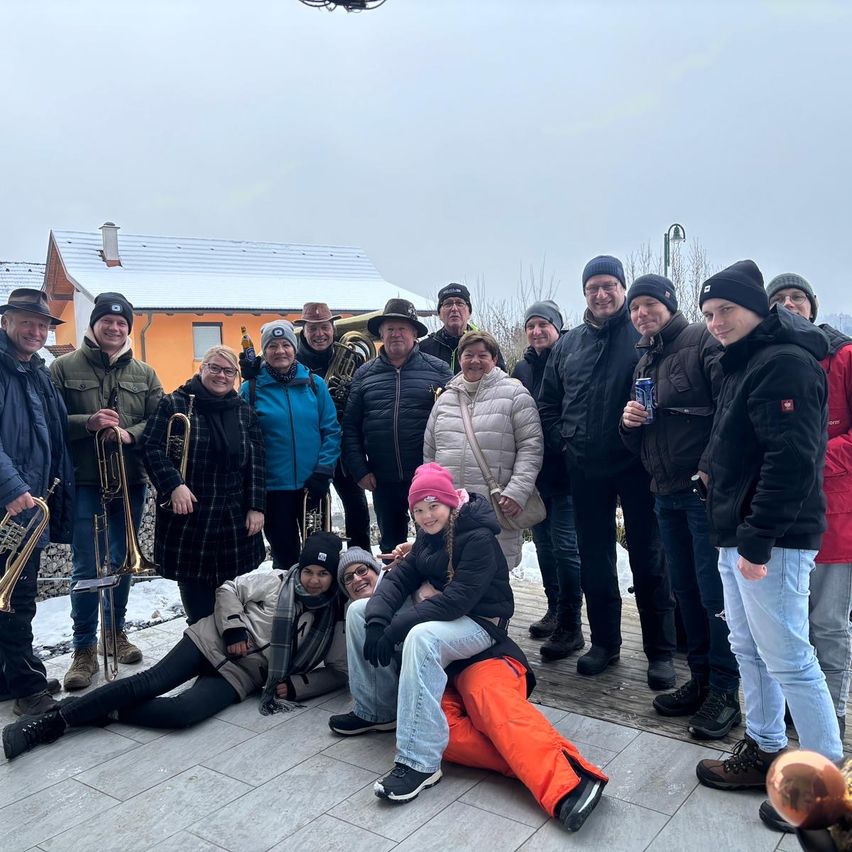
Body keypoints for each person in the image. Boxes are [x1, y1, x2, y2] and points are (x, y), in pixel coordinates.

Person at [692, 261, 842, 822]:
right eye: (708, 314)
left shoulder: (785, 362)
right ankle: (765, 746)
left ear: (758, 308)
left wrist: (757, 540)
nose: (716, 323)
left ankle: (826, 783)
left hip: (771, 538)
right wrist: (710, 478)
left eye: (726, 310)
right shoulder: (746, 360)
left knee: (791, 658)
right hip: (739, 531)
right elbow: (740, 442)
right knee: (749, 648)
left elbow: (794, 460)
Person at [2, 531, 348, 760]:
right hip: (209, 640)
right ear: (299, 568)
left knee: (182, 714)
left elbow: (336, 671)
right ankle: (51, 723)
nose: (313, 580)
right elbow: (229, 589)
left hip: (243, 676)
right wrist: (233, 631)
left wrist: (300, 686)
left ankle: (98, 707)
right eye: (309, 571)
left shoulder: (330, 620)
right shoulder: (276, 581)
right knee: (148, 682)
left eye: (323, 574)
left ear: (333, 579)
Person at [335, 544, 609, 833]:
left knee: (490, 704)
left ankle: (568, 784)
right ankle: (533, 764)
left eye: (362, 570)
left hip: (485, 659)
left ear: (381, 569)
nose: (356, 581)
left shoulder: (413, 573)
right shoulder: (371, 617)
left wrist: (416, 553)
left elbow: (450, 556)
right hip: (442, 679)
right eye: (348, 580)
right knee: (441, 737)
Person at [328, 463, 513, 804]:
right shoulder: (430, 536)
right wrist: (377, 622)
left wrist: (397, 626)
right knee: (358, 610)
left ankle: (420, 761)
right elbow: (399, 579)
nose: (426, 516)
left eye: (433, 506)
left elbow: (458, 600)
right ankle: (376, 710)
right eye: (418, 509)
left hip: (482, 621)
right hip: (446, 611)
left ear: (450, 502)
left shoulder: (477, 537)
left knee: (421, 637)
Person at [539, 256, 676, 689]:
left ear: (622, 289)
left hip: (638, 467)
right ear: (585, 293)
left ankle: (660, 651)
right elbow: (548, 403)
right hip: (586, 469)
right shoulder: (568, 344)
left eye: (609, 286)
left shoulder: (645, 336)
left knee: (648, 557)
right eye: (593, 287)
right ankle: (605, 643)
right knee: (595, 558)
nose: (601, 294)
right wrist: (566, 439)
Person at [619, 275, 741, 740]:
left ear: (668, 305)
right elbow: (644, 436)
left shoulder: (700, 341)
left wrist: (708, 471)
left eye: (649, 304)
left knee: (714, 596)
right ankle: (701, 681)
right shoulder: (644, 359)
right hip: (663, 491)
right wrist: (629, 423)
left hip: (700, 493)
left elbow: (729, 409)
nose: (641, 314)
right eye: (635, 308)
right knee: (685, 593)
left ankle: (726, 692)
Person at [762, 273, 852, 833]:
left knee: (827, 621)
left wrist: (810, 456)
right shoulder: (770, 364)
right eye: (779, 301)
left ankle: (831, 717)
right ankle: (800, 711)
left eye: (796, 298)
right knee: (786, 626)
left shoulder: (842, 359)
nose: (788, 306)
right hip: (779, 521)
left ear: (812, 308)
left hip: (835, 517)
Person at [50, 292, 163, 691]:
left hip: (129, 481)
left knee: (122, 560)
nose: (115, 328)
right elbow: (47, 422)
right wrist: (89, 422)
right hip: (83, 480)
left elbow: (158, 420)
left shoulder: (145, 374)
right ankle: (83, 649)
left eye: (122, 323)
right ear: (94, 325)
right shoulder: (62, 368)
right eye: (107, 322)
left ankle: (115, 633)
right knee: (85, 566)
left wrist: (129, 435)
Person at [141, 345, 266, 624]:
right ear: (202, 368)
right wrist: (174, 484)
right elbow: (150, 447)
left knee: (231, 600)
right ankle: (202, 650)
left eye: (228, 371)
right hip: (190, 514)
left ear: (236, 375)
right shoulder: (174, 403)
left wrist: (257, 506)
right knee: (198, 607)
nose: (221, 375)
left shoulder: (244, 412)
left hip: (232, 517)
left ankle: (230, 653)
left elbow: (256, 462)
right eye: (214, 368)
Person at [0, 289, 75, 716]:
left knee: (14, 592)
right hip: (11, 500)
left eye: (42, 324)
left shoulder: (36, 370)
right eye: (26, 321)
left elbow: (53, 434)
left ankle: (10, 677)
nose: (35, 330)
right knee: (15, 596)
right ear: (6, 321)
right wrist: (9, 486)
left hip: (31, 499)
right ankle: (28, 689)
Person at [424, 329, 543, 571]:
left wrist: (518, 491)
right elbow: (430, 453)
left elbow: (531, 446)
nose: (475, 361)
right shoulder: (445, 400)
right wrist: (430, 496)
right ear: (460, 359)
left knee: (494, 576)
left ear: (494, 359)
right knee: (452, 571)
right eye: (469, 354)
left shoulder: (515, 394)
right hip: (452, 508)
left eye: (482, 355)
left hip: (496, 506)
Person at [341, 299, 452, 554]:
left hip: (427, 476)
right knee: (391, 547)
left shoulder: (439, 370)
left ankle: (433, 593)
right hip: (383, 479)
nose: (396, 334)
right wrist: (359, 469)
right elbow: (350, 426)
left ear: (414, 333)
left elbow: (454, 421)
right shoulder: (364, 374)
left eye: (402, 328)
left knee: (435, 544)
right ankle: (395, 591)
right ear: (381, 333)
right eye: (390, 328)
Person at [512, 300, 583, 660]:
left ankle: (572, 623)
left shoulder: (571, 357)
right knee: (543, 546)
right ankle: (554, 609)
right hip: (533, 474)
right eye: (531, 325)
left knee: (566, 547)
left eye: (544, 325)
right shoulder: (521, 367)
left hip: (566, 470)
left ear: (557, 327)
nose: (537, 331)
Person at [241, 319, 340, 570]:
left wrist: (324, 470)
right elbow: (243, 438)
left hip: (313, 486)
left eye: (286, 344)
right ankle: (288, 607)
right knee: (285, 558)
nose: (280, 351)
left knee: (317, 558)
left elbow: (331, 430)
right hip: (274, 490)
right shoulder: (250, 389)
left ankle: (318, 608)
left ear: (295, 348)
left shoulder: (314, 384)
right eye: (272, 346)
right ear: (264, 351)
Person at [294, 302, 371, 550]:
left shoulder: (350, 357)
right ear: (303, 330)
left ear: (333, 327)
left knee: (357, 508)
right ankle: (316, 562)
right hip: (311, 449)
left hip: (345, 448)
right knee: (312, 510)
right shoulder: (292, 362)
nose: (320, 334)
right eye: (313, 328)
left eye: (325, 327)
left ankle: (360, 562)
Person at [419, 283, 506, 374]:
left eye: (460, 303)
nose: (454, 309)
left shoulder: (487, 345)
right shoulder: (424, 349)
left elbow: (500, 381)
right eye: (448, 304)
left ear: (469, 313)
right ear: (439, 314)